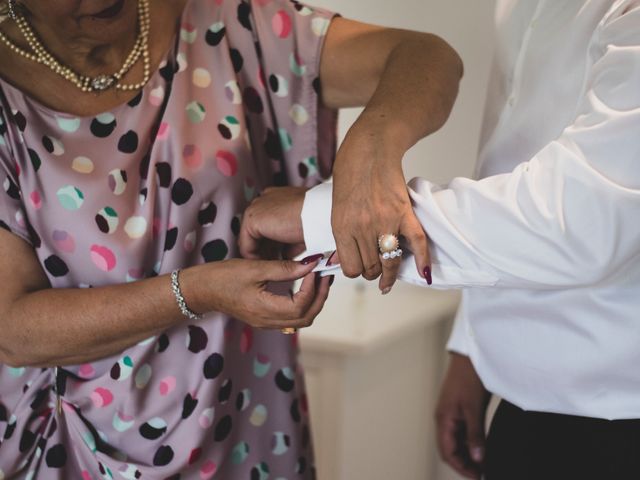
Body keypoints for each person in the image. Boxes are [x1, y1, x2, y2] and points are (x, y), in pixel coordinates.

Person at [0, 0, 463, 477]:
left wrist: (368, 151)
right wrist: (198, 291)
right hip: (66, 447)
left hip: (246, 422)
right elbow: (12, 327)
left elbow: (426, 57)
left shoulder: (225, 20)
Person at [239, 1, 640, 478]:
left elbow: (585, 219)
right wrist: (471, 348)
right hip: (518, 401)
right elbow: (510, 159)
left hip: (618, 420)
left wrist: (327, 216)